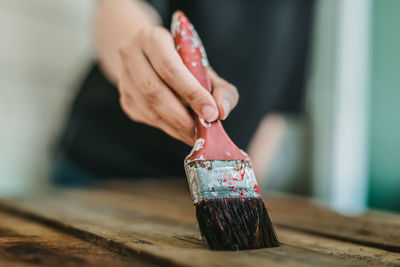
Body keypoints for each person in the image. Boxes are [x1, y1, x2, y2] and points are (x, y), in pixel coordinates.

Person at [52, 0, 314, 186]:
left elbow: (280, 100)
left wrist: (248, 188)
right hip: (104, 172)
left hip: (206, 192)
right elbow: (121, 7)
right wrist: (142, 63)